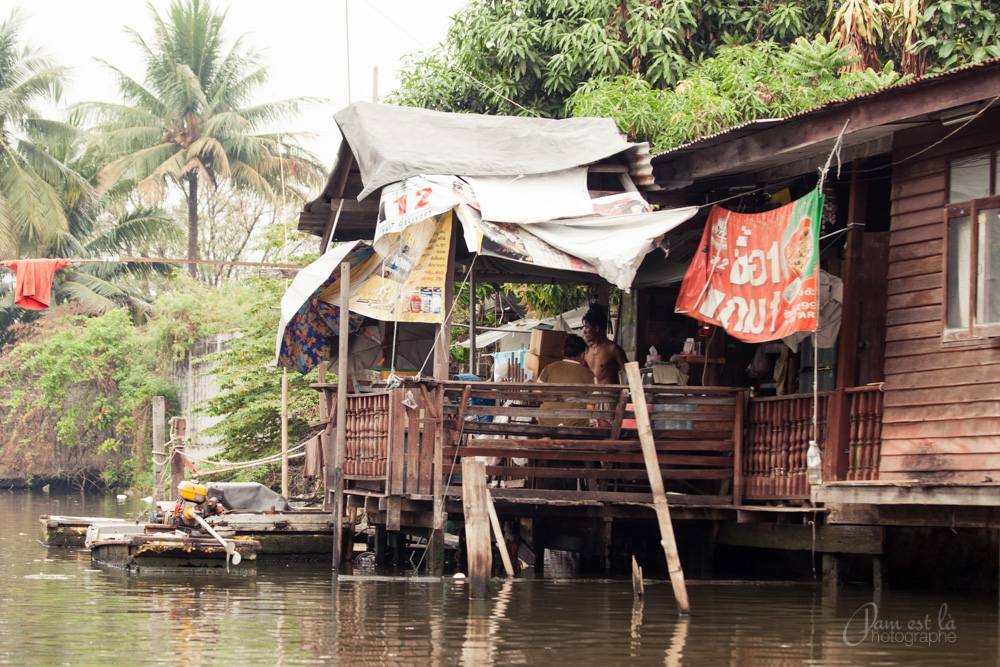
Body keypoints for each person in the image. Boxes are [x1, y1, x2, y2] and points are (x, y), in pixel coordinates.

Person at [535, 334, 595, 426]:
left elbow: (537, 392)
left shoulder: (549, 368)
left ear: (563, 352)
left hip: (546, 421)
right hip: (575, 424)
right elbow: (590, 407)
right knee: (606, 424)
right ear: (582, 354)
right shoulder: (589, 375)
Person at [582, 303, 628, 384]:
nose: (584, 332)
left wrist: (625, 391)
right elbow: (580, 375)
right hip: (591, 395)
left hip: (609, 395)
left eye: (587, 327)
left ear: (596, 328)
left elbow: (632, 373)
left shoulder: (613, 349)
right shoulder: (587, 352)